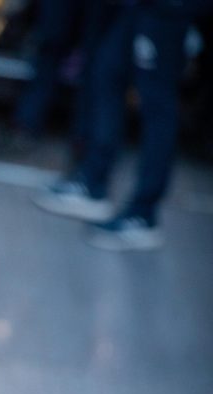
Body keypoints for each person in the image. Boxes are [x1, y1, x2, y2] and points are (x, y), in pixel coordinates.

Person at [33, 1, 196, 250]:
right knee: (107, 71)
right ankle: (93, 183)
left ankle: (143, 215)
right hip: (140, 7)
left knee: (157, 102)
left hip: (169, 9)